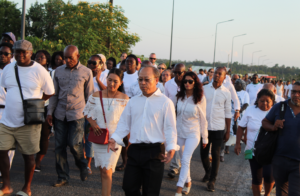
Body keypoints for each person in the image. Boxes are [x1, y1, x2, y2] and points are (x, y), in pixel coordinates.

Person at [107, 65, 177, 196]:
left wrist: (171, 148)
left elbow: (170, 128)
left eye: (146, 79)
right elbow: (124, 124)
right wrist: (114, 139)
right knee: (128, 187)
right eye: (140, 79)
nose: (143, 83)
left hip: (155, 152)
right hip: (134, 150)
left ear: (156, 80)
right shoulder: (133, 101)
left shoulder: (165, 102)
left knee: (150, 192)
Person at [0, 40, 55, 196]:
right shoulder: (9, 68)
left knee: (28, 156)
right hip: (7, 119)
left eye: (24, 51)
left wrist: (36, 104)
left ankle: (27, 188)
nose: (21, 54)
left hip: (28, 122)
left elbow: (50, 91)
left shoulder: (40, 70)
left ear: (31, 53)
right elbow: (6, 87)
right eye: (17, 51)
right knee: (1, 151)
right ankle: (6, 186)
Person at [46, 45, 94, 187]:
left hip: (77, 114)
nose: (67, 60)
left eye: (70, 58)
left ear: (78, 56)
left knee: (74, 145)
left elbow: (90, 96)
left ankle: (83, 164)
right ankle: (62, 177)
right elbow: (54, 94)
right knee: (59, 146)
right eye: (65, 58)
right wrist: (50, 112)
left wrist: (90, 117)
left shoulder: (86, 72)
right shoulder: (58, 71)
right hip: (60, 114)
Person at [83, 68, 129, 196]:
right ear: (106, 79)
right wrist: (93, 123)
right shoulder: (96, 95)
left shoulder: (124, 99)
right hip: (99, 136)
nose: (111, 84)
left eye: (115, 81)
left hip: (115, 138)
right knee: (103, 170)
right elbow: (86, 111)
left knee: (108, 170)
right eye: (109, 80)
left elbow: (127, 120)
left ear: (121, 82)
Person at [262, 82, 300, 195]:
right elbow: (265, 122)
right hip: (280, 159)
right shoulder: (280, 107)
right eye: (294, 92)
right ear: (289, 92)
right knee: (281, 193)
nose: (296, 95)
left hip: (298, 163)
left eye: (299, 92)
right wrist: (273, 127)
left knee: (295, 193)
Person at [235, 89, 276, 196]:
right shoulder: (250, 110)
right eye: (262, 101)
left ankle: (267, 194)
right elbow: (241, 127)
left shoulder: (276, 112)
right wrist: (238, 143)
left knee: (269, 176)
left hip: (271, 151)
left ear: (272, 101)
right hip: (253, 150)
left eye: (268, 101)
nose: (265, 103)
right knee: (256, 177)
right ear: (257, 100)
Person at [174, 72, 208, 196]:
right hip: (180, 132)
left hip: (193, 133)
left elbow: (203, 119)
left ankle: (179, 189)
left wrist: (205, 138)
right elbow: (174, 115)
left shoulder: (200, 98)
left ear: (195, 83)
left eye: (190, 81)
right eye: (185, 81)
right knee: (183, 160)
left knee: (186, 158)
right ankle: (188, 181)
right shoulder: (179, 96)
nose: (187, 84)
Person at [200, 67, 231, 192]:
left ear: (224, 77)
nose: (216, 75)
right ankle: (208, 171)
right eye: (215, 73)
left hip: (218, 128)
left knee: (216, 154)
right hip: (205, 127)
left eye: (220, 74)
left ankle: (212, 180)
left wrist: (228, 131)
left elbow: (228, 113)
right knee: (203, 154)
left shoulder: (226, 93)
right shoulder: (204, 89)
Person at [115, 54, 139, 171]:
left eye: (131, 62)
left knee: (132, 137)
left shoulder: (138, 76)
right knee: (124, 137)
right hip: (122, 107)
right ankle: (125, 162)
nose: (128, 64)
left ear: (136, 64)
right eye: (127, 62)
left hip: (135, 107)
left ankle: (132, 162)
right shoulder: (122, 75)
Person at [33, 50, 53, 173]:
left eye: (42, 57)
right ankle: (30, 159)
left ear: (47, 60)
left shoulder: (51, 73)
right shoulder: (30, 71)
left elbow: (52, 92)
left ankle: (38, 161)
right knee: (31, 134)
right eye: (37, 57)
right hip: (32, 107)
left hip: (46, 107)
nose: (39, 58)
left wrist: (41, 101)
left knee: (44, 135)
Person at [165, 63, 185, 178]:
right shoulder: (168, 84)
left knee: (182, 143)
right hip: (172, 115)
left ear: (184, 72)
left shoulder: (188, 83)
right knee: (174, 139)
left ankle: (181, 163)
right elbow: (165, 100)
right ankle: (174, 166)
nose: (177, 75)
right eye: (175, 72)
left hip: (184, 117)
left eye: (180, 73)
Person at [0, 43, 15, 183]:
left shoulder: (15, 71)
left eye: (6, 54)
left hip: (10, 110)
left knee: (9, 144)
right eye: (1, 53)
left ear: (11, 56)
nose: (2, 56)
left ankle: (4, 173)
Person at [224, 79, 249, 154]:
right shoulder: (230, 92)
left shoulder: (245, 93)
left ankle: (239, 146)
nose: (235, 84)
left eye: (238, 83)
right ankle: (226, 148)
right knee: (229, 130)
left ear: (242, 85)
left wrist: (239, 111)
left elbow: (246, 104)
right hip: (230, 114)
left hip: (240, 115)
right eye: (235, 83)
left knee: (239, 130)